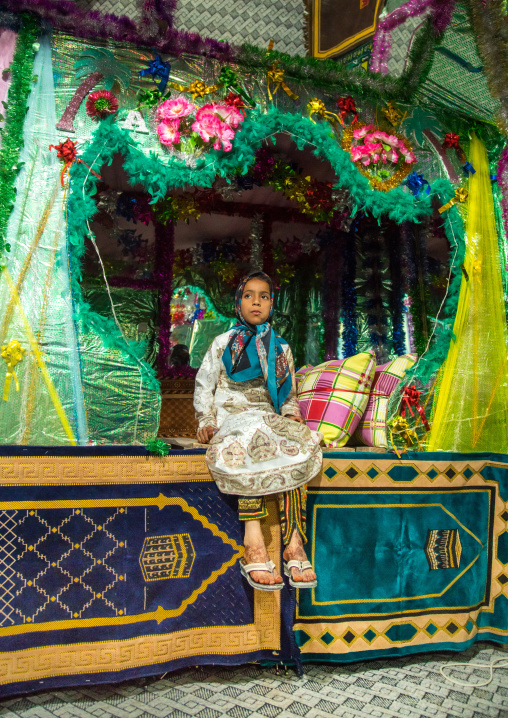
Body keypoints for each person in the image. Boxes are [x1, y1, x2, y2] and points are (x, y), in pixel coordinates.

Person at [193, 271, 322, 591]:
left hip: (267, 418)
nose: (256, 302)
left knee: (296, 447)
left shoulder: (281, 349)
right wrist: (205, 422)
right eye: (249, 295)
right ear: (238, 303)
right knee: (253, 443)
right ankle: (253, 543)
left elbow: (288, 395)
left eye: (264, 296)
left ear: (271, 304)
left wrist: (292, 416)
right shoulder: (223, 343)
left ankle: (294, 543)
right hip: (233, 420)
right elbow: (204, 385)